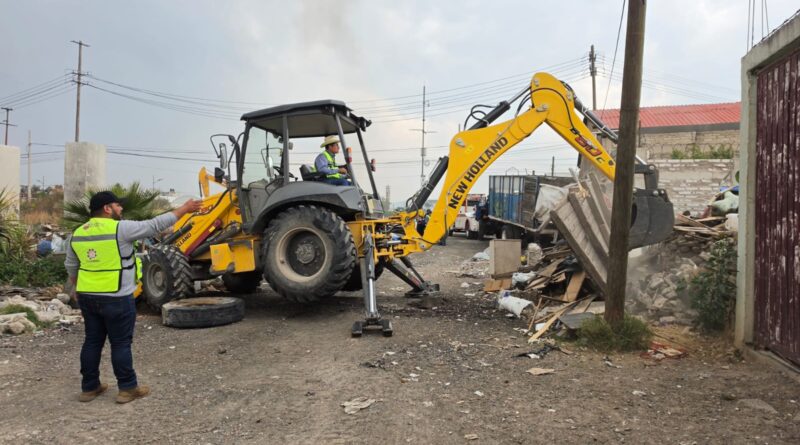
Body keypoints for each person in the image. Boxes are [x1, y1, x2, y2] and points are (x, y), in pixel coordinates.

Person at [65, 191, 202, 404]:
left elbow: (72, 266)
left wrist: (78, 287)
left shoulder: (77, 233)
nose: (121, 209)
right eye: (118, 206)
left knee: (92, 341)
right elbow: (154, 225)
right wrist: (184, 209)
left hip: (88, 297)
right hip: (117, 296)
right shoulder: (121, 228)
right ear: (107, 208)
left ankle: (89, 388)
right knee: (120, 343)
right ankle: (128, 388)